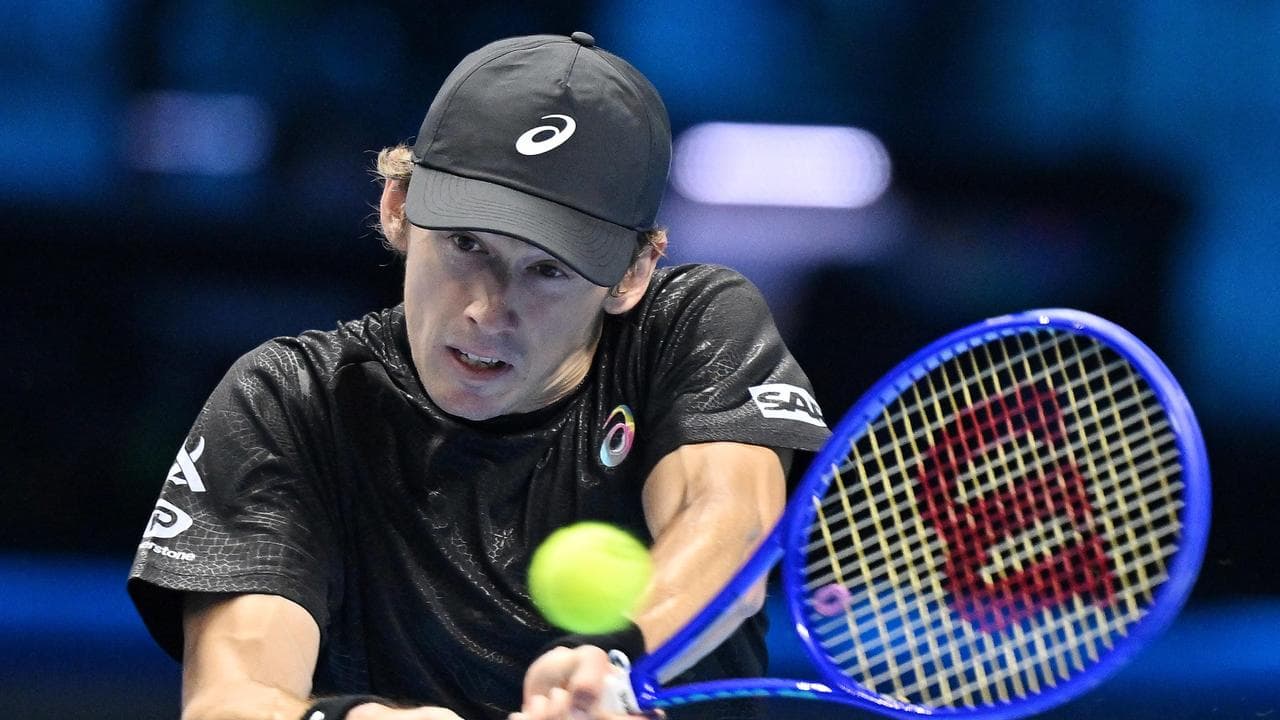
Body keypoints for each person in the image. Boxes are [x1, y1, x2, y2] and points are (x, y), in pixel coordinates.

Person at [127, 32, 830, 720]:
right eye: (466, 243)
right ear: (398, 208)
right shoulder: (292, 400)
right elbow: (232, 700)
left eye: (547, 270)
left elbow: (731, 524)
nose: (487, 311)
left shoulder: (686, 327)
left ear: (633, 272)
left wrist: (614, 661)